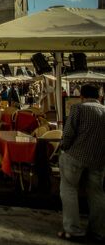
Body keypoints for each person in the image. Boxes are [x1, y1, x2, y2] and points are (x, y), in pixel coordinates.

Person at [57, 84, 105, 242]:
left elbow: (68, 134)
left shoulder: (79, 109)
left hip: (76, 156)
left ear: (81, 96)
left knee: (69, 190)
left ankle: (73, 229)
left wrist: (63, 147)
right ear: (99, 96)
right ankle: (98, 231)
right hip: (98, 159)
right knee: (97, 194)